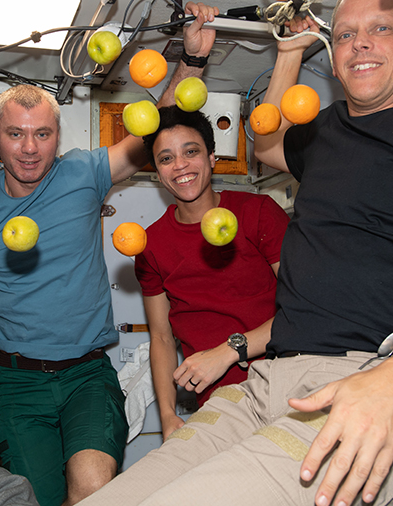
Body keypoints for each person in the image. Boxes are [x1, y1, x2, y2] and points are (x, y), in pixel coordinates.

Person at [78, 0, 393, 504]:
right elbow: (266, 142)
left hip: (378, 384)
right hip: (264, 385)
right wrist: (287, 52)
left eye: (381, 28)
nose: (359, 43)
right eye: (344, 35)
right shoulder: (327, 132)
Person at [0, 5, 219, 505]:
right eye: (16, 134)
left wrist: (193, 62)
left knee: (93, 489)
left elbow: (150, 124)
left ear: (58, 137)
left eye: (42, 134)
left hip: (88, 373)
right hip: (18, 381)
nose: (30, 148)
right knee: (36, 498)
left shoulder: (82, 174)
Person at [136, 106, 288, 439]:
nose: (180, 166)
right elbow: (161, 337)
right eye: (166, 158)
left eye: (191, 152)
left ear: (212, 158)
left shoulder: (258, 213)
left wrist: (229, 351)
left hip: (285, 384)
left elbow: (307, 308)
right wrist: (166, 414)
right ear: (157, 172)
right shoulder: (150, 246)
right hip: (218, 404)